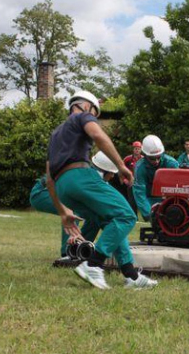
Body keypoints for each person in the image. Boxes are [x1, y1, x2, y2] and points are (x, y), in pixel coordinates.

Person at [45, 90, 157, 290]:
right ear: (88, 107)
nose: (94, 119)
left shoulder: (56, 134)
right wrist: (121, 165)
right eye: (95, 115)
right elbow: (98, 135)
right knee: (126, 216)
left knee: (108, 220)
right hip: (80, 177)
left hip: (63, 187)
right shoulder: (82, 116)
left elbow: (49, 180)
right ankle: (93, 264)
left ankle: (131, 275)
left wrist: (63, 213)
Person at [30, 151, 119, 264]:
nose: (113, 176)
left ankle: (82, 248)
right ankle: (67, 254)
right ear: (103, 171)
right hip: (41, 193)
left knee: (96, 214)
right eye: (111, 173)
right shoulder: (82, 175)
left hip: (60, 192)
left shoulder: (95, 176)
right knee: (72, 209)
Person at [132, 134, 179, 221]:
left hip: (171, 201)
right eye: (152, 158)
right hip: (150, 201)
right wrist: (148, 214)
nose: (156, 161)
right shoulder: (140, 168)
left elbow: (181, 186)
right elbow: (139, 192)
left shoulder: (172, 164)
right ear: (145, 155)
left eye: (158, 157)